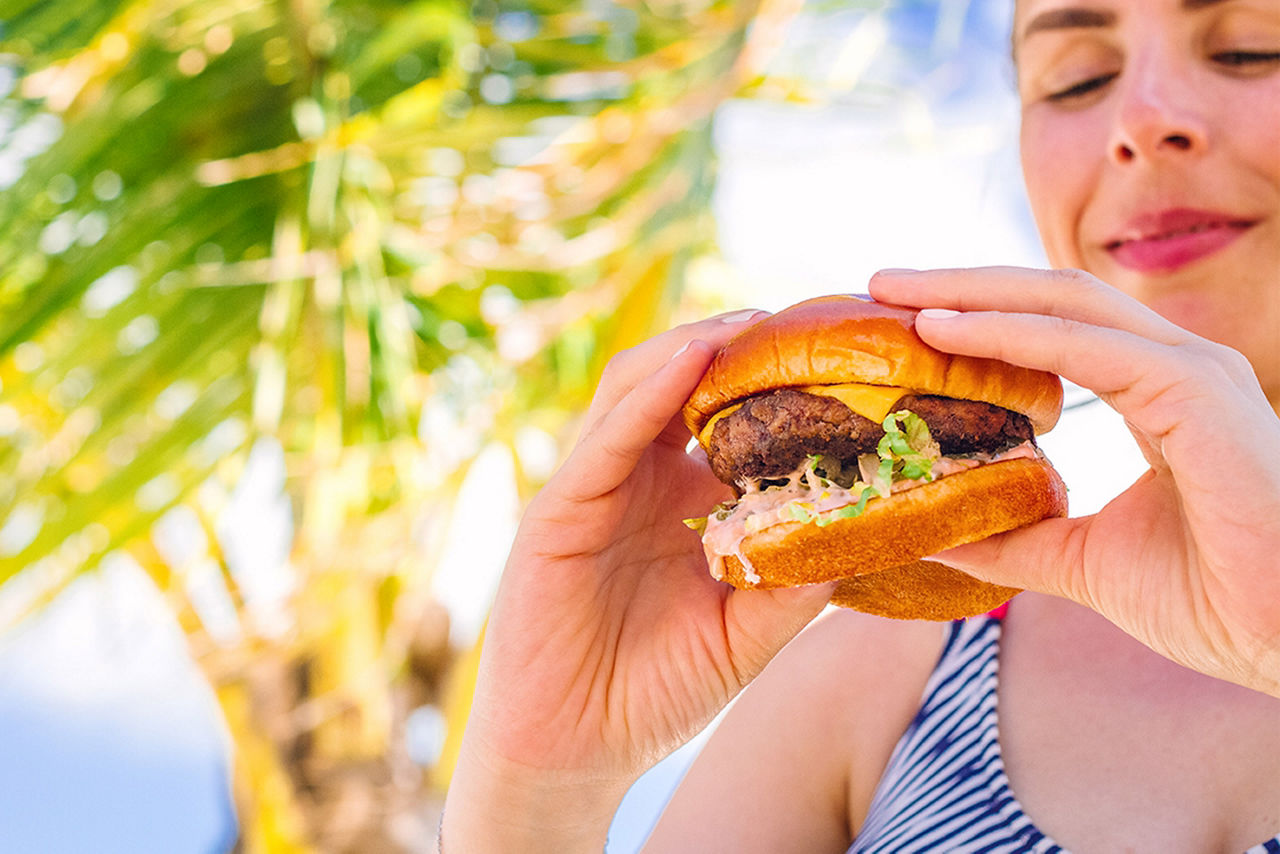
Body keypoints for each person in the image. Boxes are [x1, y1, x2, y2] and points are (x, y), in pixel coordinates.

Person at [440, 0, 1280, 850]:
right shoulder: (876, 664)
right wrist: (537, 787)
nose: (1138, 121)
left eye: (1252, 50)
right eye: (1078, 79)